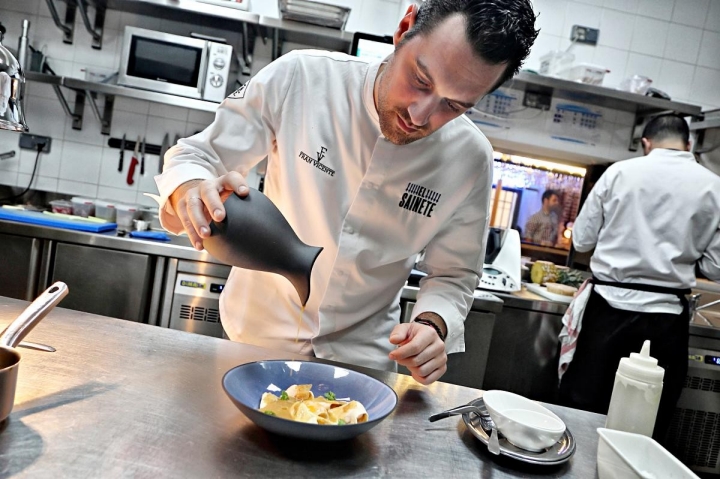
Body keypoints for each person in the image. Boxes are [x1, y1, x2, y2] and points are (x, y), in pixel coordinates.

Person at [155, 0, 538, 384]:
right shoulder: (302, 77)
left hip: (362, 368)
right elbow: (197, 155)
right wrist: (190, 188)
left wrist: (432, 324)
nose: (420, 116)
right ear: (405, 27)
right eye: (421, 80)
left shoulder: (470, 158)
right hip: (252, 344)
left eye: (454, 105)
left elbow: (454, 275)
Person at [557, 114, 720, 444]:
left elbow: (583, 240)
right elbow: (716, 267)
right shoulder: (714, 186)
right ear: (688, 145)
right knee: (646, 424)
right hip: (667, 320)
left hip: (608, 312)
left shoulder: (619, 172)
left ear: (646, 143)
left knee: (583, 409)